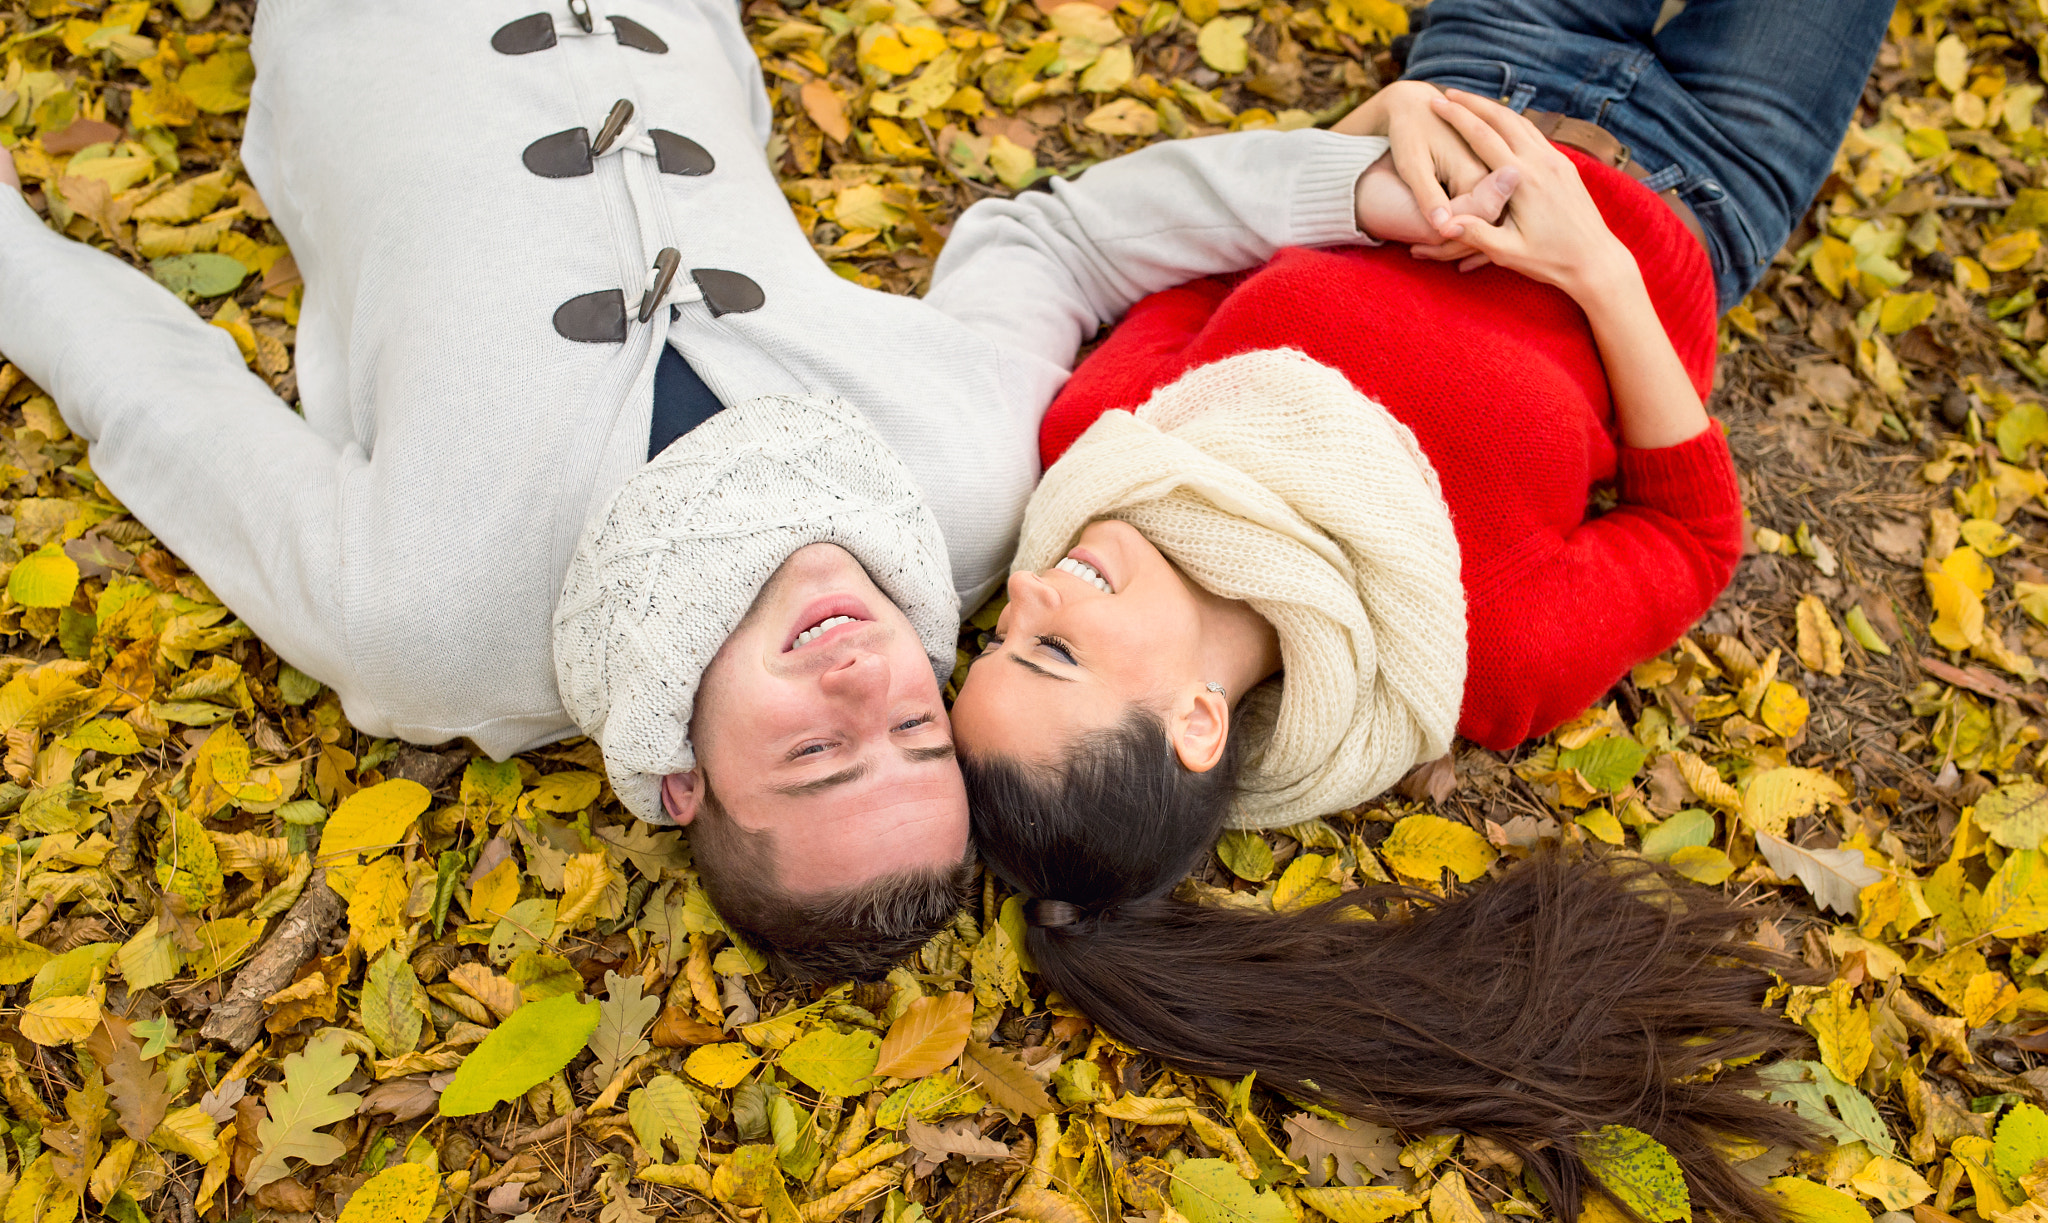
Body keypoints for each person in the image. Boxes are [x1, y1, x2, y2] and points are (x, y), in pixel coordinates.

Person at [0, 1, 1515, 975]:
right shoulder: (945, 489)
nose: (862, 677)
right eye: (913, 725)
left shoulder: (422, 620)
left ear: (682, 780)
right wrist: (1339, 186)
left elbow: (153, 391)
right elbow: (1050, 246)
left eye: (815, 757)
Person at [935, 0, 1894, 1223]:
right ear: (1193, 721)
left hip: (1479, 72)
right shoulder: (1471, 652)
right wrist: (1594, 271)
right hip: (1699, 181)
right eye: (1049, 651)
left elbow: (1216, 258)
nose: (1029, 593)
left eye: (1000, 636)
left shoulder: (1105, 447)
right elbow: (1689, 538)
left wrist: (1369, 133)